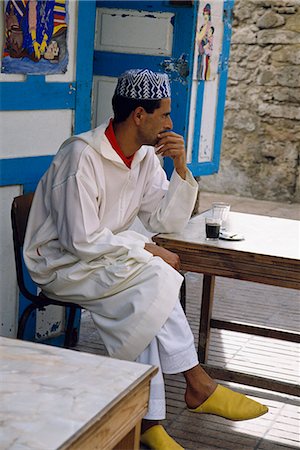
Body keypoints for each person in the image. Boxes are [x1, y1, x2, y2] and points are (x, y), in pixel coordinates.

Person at [24, 69, 268, 450]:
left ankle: (152, 419)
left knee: (144, 300)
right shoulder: (81, 156)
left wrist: (181, 168)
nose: (170, 123)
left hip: (104, 257)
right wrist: (147, 249)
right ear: (139, 114)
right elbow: (80, 240)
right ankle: (195, 384)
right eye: (165, 114)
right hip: (62, 263)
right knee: (152, 276)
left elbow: (163, 220)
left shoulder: (144, 157)